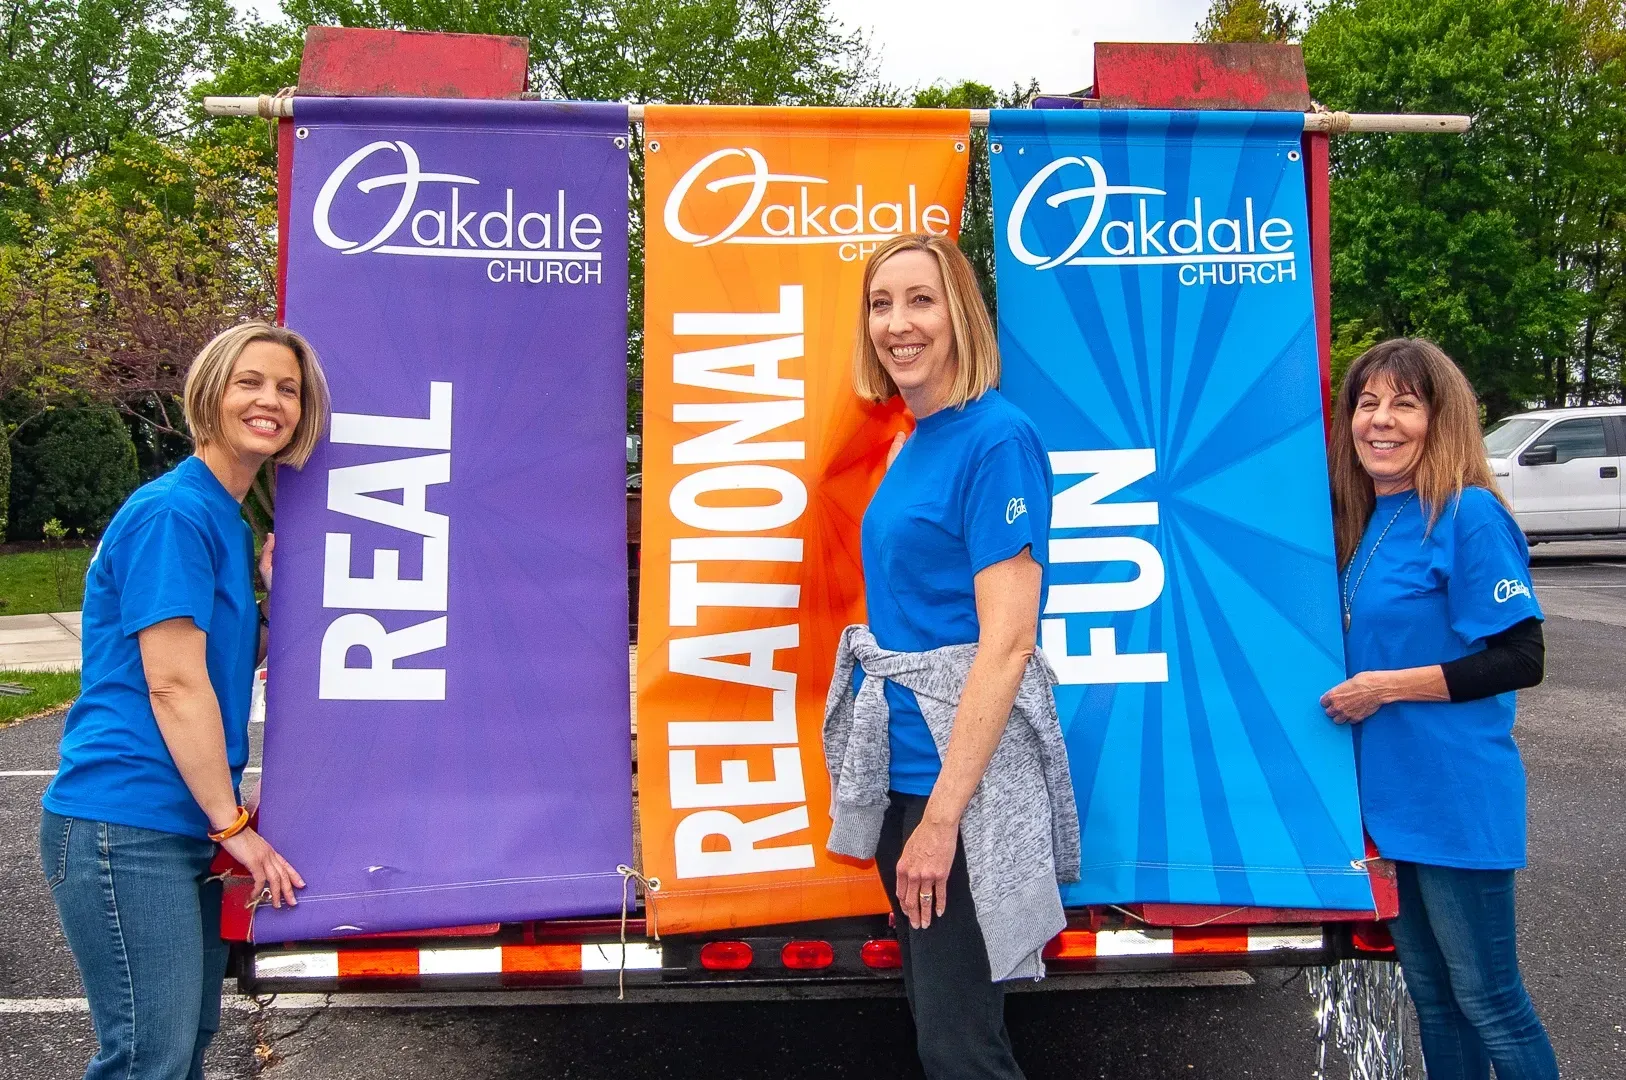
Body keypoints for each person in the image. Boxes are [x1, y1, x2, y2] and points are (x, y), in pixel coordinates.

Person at [40, 321, 330, 1080]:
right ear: (210, 393)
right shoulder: (173, 513)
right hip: (126, 823)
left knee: (178, 1051)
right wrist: (233, 825)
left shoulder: (224, 521)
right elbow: (172, 682)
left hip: (175, 824)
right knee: (148, 1059)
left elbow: (228, 659)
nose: (272, 400)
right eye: (251, 382)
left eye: (288, 389)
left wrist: (271, 595)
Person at [822, 234, 1079, 1080]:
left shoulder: (995, 438)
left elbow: (1007, 646)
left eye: (920, 299)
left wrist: (939, 822)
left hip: (957, 787)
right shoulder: (916, 436)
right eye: (881, 302)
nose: (898, 322)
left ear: (961, 313)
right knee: (946, 1026)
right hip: (912, 770)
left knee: (963, 1048)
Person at [1320, 338, 1558, 1080]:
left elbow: (1521, 657)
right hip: (1393, 803)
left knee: (1489, 998)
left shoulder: (1468, 514)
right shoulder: (1374, 520)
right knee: (1431, 995)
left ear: (1440, 418)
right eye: (1367, 403)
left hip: (1455, 800)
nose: (1380, 421)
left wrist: (1385, 686)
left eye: (1404, 403)